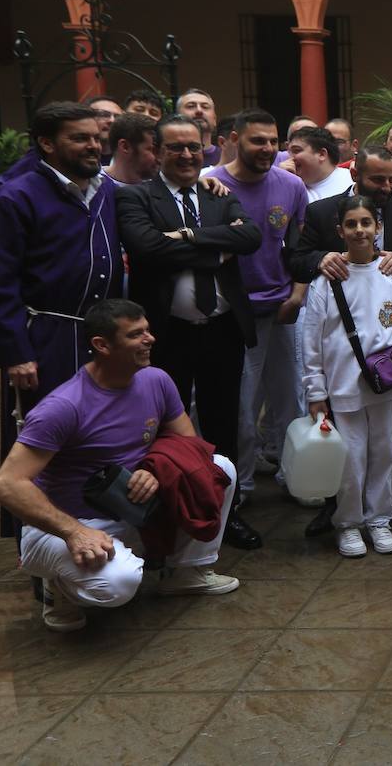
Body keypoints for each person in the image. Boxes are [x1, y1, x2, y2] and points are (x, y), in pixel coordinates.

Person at [0, 300, 239, 632]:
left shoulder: (156, 380)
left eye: (148, 330)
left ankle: (186, 573)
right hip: (64, 528)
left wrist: (155, 467)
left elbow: (189, 443)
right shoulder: (63, 407)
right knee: (121, 584)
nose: (150, 339)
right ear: (102, 345)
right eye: (136, 334)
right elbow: (8, 483)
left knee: (219, 467)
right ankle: (58, 586)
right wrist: (75, 533)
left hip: (130, 510)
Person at [116, 114, 262, 498]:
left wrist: (186, 236)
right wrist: (216, 253)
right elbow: (148, 248)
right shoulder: (135, 196)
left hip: (222, 330)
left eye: (194, 147)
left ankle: (224, 508)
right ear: (158, 152)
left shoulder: (217, 193)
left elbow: (249, 237)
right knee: (165, 426)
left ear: (205, 150)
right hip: (166, 334)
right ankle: (172, 506)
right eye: (176, 147)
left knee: (222, 424)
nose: (186, 155)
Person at [290, 145, 392, 531]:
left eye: (391, 179)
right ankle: (342, 515)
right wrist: (321, 260)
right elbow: (296, 259)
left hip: (387, 364)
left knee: (388, 445)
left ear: (377, 227)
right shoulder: (322, 213)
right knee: (346, 449)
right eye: (377, 179)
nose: (387, 186)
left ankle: (387, 507)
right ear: (356, 176)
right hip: (341, 364)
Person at [204, 109, 309, 548]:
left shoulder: (292, 186)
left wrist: (298, 294)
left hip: (283, 307)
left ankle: (296, 476)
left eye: (274, 141)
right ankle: (240, 489)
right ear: (233, 139)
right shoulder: (210, 183)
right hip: (234, 313)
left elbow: (300, 246)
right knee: (242, 408)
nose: (268, 149)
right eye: (257, 141)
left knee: (291, 399)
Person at [0, 102, 123, 457]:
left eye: (97, 138)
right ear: (47, 143)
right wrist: (16, 352)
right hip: (45, 338)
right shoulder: (16, 196)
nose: (93, 146)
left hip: (99, 335)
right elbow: (2, 281)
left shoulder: (105, 189)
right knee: (45, 438)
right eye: (79, 138)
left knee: (98, 431)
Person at [284, 126, 352, 202]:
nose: (290, 158)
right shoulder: (288, 186)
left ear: (322, 154)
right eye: (289, 153)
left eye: (296, 150)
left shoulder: (352, 180)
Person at [100, 112, 158, 187]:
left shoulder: (159, 190)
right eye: (151, 150)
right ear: (125, 146)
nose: (159, 158)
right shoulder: (94, 185)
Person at [177, 89, 219, 165]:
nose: (199, 110)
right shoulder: (169, 158)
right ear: (177, 117)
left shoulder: (228, 158)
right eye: (191, 106)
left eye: (205, 107)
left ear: (214, 119)